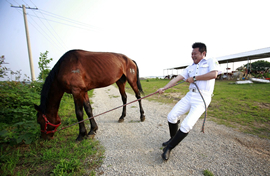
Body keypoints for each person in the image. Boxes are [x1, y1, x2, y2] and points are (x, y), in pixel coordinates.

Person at [158, 42, 221, 161]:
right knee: (171, 116)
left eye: (195, 53)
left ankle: (169, 148)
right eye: (191, 53)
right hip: (189, 95)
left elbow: (214, 74)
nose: (192, 56)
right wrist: (164, 88)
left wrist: (195, 78)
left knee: (187, 125)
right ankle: (173, 139)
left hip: (202, 97)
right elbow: (177, 79)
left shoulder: (210, 61)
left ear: (203, 53)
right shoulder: (190, 67)